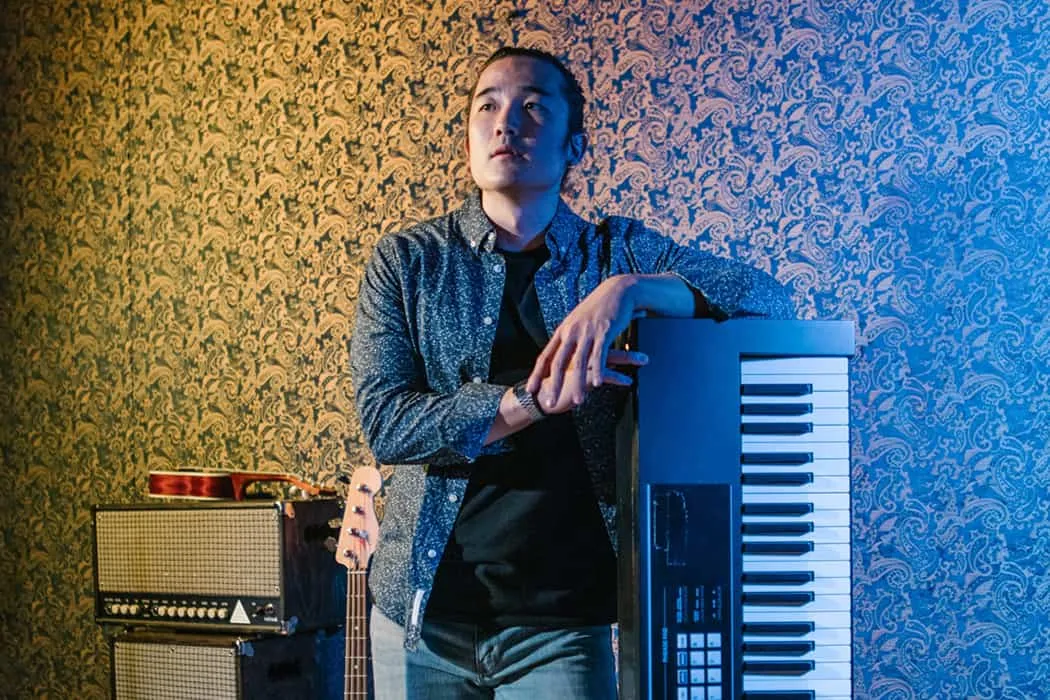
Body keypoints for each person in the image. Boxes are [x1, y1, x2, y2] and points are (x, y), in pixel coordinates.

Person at [349, 46, 794, 699]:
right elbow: (389, 427)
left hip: (562, 628)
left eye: (533, 108)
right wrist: (530, 399)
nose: (506, 124)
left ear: (574, 146)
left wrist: (629, 290)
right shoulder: (408, 262)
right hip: (421, 620)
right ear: (469, 138)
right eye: (488, 107)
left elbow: (771, 303)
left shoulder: (614, 251)